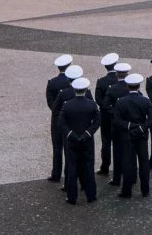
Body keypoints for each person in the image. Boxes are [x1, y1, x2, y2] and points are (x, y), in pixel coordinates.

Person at [113, 73, 152, 198]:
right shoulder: (145, 101)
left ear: (128, 86)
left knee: (128, 164)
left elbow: (117, 121)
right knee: (144, 163)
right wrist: (142, 127)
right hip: (141, 135)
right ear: (139, 86)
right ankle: (145, 189)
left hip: (127, 135)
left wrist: (129, 126)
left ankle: (127, 191)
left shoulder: (121, 102)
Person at [59, 76, 100, 205]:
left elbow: (61, 123)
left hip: (72, 141)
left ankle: (71, 197)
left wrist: (71, 134)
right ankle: (91, 195)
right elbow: (97, 121)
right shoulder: (91, 104)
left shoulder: (67, 105)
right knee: (88, 166)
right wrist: (88, 133)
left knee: (72, 168)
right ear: (86, 89)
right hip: (87, 140)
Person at [46, 54, 73, 183]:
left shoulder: (52, 83)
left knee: (57, 148)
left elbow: (51, 104)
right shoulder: (74, 82)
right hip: (71, 120)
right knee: (69, 149)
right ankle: (69, 175)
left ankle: (56, 174)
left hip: (57, 119)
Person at [94, 53, 120, 177]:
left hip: (105, 116)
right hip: (119, 117)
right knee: (119, 143)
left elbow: (98, 99)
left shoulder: (101, 81)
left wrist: (108, 108)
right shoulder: (120, 81)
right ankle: (118, 168)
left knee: (106, 143)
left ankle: (105, 167)